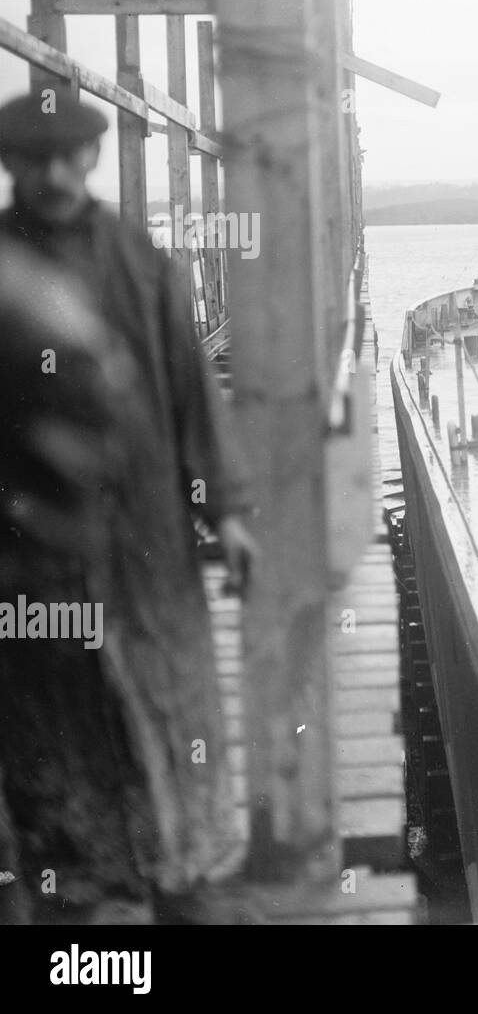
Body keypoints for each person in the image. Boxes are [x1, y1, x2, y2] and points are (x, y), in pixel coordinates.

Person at [0, 87, 258, 924]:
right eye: (32, 159)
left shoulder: (140, 261)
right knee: (55, 741)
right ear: (9, 165)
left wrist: (226, 510)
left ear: (91, 158)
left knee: (176, 721)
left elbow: (193, 395)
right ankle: (72, 900)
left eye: (67, 156)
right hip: (32, 557)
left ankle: (185, 880)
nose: (52, 174)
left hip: (149, 546)